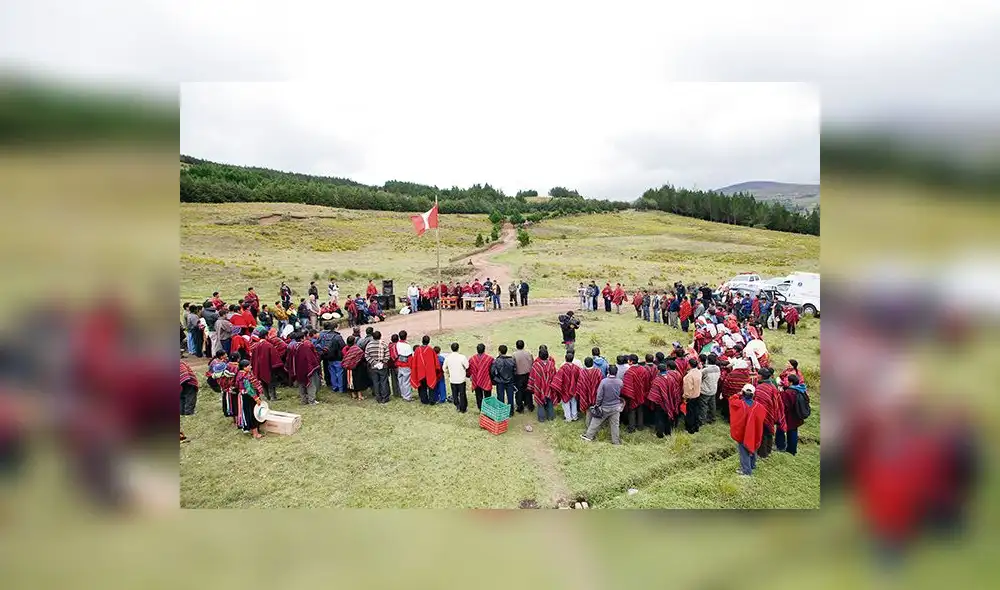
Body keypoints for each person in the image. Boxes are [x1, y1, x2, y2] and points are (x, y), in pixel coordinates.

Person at [731, 383, 767, 476]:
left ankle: (746, 471)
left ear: (743, 392)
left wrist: (738, 394)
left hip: (742, 433)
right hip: (754, 432)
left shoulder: (739, 404)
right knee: (753, 447)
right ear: (753, 394)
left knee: (744, 452)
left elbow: (731, 400)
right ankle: (752, 465)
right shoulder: (760, 407)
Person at [581, 365, 623, 444]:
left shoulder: (604, 382)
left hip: (604, 407)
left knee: (595, 422)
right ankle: (616, 441)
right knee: (615, 425)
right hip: (616, 407)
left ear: (608, 372)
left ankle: (588, 436)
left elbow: (599, 395)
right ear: (616, 372)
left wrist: (597, 404)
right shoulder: (620, 382)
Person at [753, 367, 784, 459]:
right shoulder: (773, 387)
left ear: (761, 376)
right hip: (771, 414)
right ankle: (768, 451)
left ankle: (762, 454)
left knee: (762, 434)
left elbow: (757, 403)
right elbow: (777, 402)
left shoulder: (760, 388)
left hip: (763, 415)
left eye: (758, 375)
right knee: (769, 432)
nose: (757, 376)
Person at [286, 332, 321, 405]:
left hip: (297, 370)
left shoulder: (292, 347)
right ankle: (311, 400)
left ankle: (304, 400)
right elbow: (310, 359)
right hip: (306, 369)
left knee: (301, 385)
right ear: (303, 338)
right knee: (310, 385)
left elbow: (289, 360)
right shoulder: (304, 347)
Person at [648, 363, 682, 438]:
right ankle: (668, 432)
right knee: (668, 417)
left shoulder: (657, 380)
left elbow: (654, 394)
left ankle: (660, 434)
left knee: (660, 418)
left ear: (658, 370)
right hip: (670, 401)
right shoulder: (671, 378)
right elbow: (675, 390)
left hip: (660, 403)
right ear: (666, 369)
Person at [777, 373, 807, 455]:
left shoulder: (789, 392)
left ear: (790, 382)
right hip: (797, 415)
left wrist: (781, 393)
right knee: (793, 431)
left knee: (781, 429)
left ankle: (780, 447)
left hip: (788, 415)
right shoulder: (802, 389)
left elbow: (784, 405)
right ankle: (792, 450)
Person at [235, 360, 265, 439]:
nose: (251, 367)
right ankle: (255, 433)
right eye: (249, 366)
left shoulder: (240, 373)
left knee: (249, 412)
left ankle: (253, 430)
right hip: (249, 397)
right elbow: (249, 389)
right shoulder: (245, 376)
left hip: (244, 396)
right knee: (253, 413)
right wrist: (256, 398)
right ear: (244, 367)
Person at [621, 353, 650, 432]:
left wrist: (628, 395)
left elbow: (626, 386)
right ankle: (640, 427)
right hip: (641, 393)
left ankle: (631, 428)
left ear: (630, 362)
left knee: (632, 411)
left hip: (632, 395)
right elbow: (647, 382)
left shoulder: (629, 372)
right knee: (640, 410)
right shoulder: (643, 369)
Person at [528, 346, 557, 422]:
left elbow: (532, 377)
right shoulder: (551, 364)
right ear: (547, 355)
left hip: (539, 387)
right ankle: (551, 417)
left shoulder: (536, 365)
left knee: (540, 403)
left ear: (539, 356)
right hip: (550, 387)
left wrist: (531, 387)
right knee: (550, 401)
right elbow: (555, 376)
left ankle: (541, 418)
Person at [250, 332, 280, 401]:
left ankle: (267, 396)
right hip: (268, 367)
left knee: (263, 382)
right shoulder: (269, 345)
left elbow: (252, 358)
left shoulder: (255, 346)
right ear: (266, 336)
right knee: (271, 382)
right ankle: (273, 397)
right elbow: (274, 357)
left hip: (259, 368)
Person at [552, 351, 581, 421]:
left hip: (564, 389)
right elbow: (579, 378)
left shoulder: (563, 368)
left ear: (565, 358)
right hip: (574, 388)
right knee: (574, 402)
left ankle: (568, 418)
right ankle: (574, 416)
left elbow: (558, 379)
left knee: (566, 403)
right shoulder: (576, 368)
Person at [411, 335, 441, 405]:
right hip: (430, 372)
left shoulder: (417, 350)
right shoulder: (431, 350)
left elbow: (414, 361)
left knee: (422, 387)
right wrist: (437, 370)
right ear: (429, 341)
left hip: (420, 372)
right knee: (431, 387)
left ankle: (424, 400)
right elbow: (436, 362)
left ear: (422, 341)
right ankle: (432, 400)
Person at [365, 330, 391, 403]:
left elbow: (366, 356)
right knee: (384, 381)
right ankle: (385, 397)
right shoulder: (383, 344)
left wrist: (374, 362)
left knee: (376, 382)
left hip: (373, 367)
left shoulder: (369, 345)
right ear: (380, 336)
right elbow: (388, 355)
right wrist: (382, 362)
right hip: (382, 366)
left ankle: (378, 398)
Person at [575, 356, 603, 425]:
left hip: (585, 395)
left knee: (588, 410)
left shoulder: (582, 373)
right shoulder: (598, 371)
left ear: (585, 364)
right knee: (596, 409)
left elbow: (579, 385)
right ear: (593, 363)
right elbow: (601, 384)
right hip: (596, 395)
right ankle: (595, 425)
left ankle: (588, 425)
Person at [490, 344, 516, 416]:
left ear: (499, 351)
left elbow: (492, 372)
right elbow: (514, 370)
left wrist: (495, 379)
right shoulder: (511, 360)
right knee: (510, 396)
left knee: (500, 397)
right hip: (510, 381)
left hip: (500, 381)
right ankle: (511, 412)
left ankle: (501, 412)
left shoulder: (496, 361)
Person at [444, 342, 470, 413]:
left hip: (453, 379)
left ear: (451, 349)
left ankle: (457, 406)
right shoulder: (462, 357)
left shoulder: (448, 358)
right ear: (458, 348)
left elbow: (444, 368)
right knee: (462, 394)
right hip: (461, 379)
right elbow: (467, 366)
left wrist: (448, 373)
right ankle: (463, 408)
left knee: (454, 394)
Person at [468, 343, 495, 411]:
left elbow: (469, 370)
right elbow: (492, 369)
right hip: (486, 380)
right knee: (487, 396)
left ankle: (480, 408)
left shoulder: (472, 359)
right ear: (484, 350)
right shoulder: (489, 359)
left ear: (477, 350)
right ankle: (488, 408)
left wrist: (470, 375)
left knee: (478, 395)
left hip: (476, 380)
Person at [341, 335, 368, 400]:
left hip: (348, 368)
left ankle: (353, 394)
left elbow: (344, 358)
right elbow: (362, 356)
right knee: (358, 381)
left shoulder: (345, 349)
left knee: (350, 381)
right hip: (357, 368)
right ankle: (360, 396)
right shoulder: (357, 349)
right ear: (354, 342)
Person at [699, 353, 721, 425]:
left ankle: (702, 420)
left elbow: (699, 376)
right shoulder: (717, 368)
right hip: (713, 389)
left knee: (703, 406)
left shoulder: (705, 370)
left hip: (705, 391)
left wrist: (700, 368)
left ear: (707, 361)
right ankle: (713, 418)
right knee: (712, 405)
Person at [513, 340, 534, 413]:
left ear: (516, 346)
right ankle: (530, 405)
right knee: (528, 390)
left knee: (519, 391)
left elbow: (513, 366)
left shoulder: (514, 355)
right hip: (528, 374)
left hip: (519, 376)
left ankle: (520, 407)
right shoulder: (528, 353)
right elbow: (532, 363)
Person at [395, 330, 414, 401]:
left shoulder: (397, 344)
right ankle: (407, 396)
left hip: (399, 364)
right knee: (406, 381)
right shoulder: (407, 346)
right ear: (406, 336)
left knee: (401, 380)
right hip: (406, 365)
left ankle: (403, 394)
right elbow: (410, 357)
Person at [327, 325, 346, 393]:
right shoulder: (338, 337)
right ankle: (341, 388)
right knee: (340, 373)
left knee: (332, 373)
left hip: (329, 357)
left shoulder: (325, 336)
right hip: (338, 358)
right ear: (336, 328)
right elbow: (343, 346)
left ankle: (334, 387)